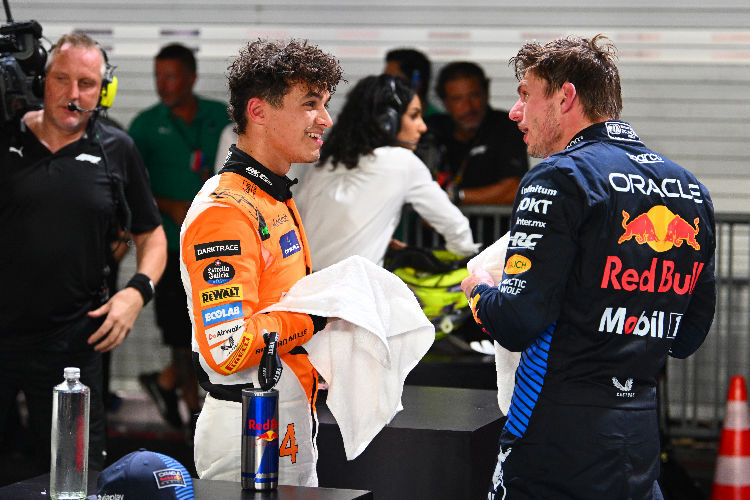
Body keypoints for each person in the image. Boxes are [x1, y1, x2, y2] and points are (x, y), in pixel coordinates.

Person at [460, 34, 716, 499]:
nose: (515, 113)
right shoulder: (689, 188)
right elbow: (688, 335)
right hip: (637, 437)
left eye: (524, 96)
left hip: (554, 434)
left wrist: (478, 288)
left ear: (566, 97)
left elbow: (516, 321)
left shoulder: (558, 175)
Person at [0, 33, 166, 478]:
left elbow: (151, 234)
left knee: (73, 478)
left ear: (102, 90)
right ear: (42, 81)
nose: (73, 95)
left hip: (72, 345)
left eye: (87, 84)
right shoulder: (5, 137)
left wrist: (136, 292)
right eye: (62, 79)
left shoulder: (117, 149)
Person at [180, 38, 342, 486]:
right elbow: (229, 347)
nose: (324, 120)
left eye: (325, 104)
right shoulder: (225, 212)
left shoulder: (271, 195)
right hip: (247, 428)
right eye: (310, 104)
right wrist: (314, 319)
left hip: (287, 415)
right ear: (259, 111)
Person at [129, 43, 231, 433]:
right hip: (168, 246)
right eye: (157, 76)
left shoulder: (217, 118)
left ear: (191, 76)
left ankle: (171, 385)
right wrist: (167, 203)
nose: (162, 85)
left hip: (215, 245)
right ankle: (191, 411)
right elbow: (129, 184)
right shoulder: (144, 124)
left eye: (170, 76)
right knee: (177, 332)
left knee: (210, 326)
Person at [295, 74, 478, 271]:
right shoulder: (401, 161)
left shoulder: (324, 163)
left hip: (306, 287)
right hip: (357, 293)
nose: (422, 127)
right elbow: (459, 233)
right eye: (414, 116)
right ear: (387, 122)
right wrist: (451, 261)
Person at [424, 61, 528, 206]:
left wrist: (455, 197)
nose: (468, 107)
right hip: (439, 229)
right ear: (445, 102)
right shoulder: (431, 129)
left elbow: (513, 190)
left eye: (474, 96)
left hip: (493, 228)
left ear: (486, 93)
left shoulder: (507, 126)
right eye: (457, 99)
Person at [383, 48, 440, 117]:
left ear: (416, 81)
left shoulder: (437, 122)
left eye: (392, 79)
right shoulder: (382, 116)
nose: (385, 84)